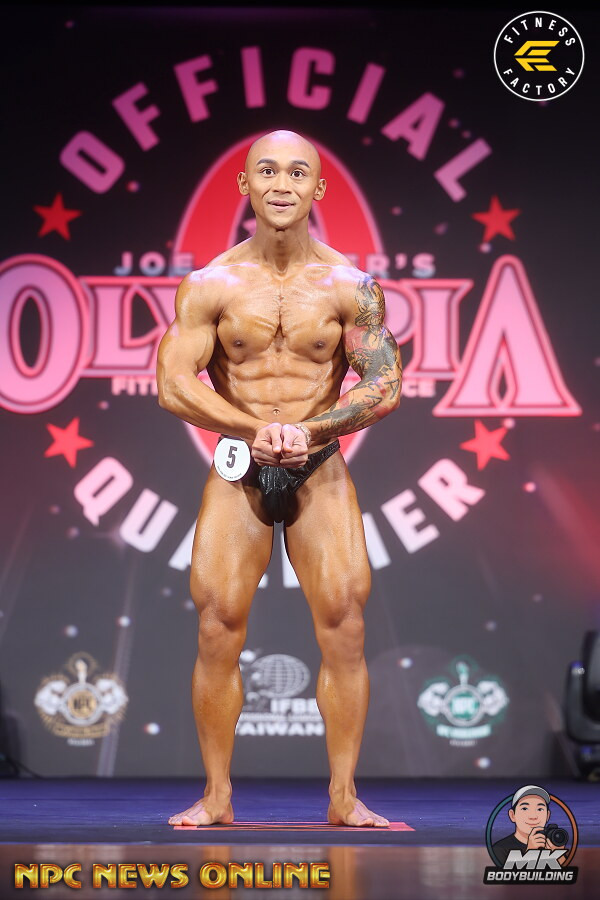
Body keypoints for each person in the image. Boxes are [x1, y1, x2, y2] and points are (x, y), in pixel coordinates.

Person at [156, 129, 402, 827]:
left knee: (344, 623)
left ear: (318, 189)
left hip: (319, 467)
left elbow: (384, 384)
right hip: (240, 465)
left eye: (298, 172)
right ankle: (217, 796)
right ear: (246, 185)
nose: (282, 183)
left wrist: (311, 431)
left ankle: (344, 797)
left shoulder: (352, 287)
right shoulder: (210, 285)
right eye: (267, 170)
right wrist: (251, 427)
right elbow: (173, 384)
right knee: (217, 624)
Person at [492, 785, 567, 865]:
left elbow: (566, 870)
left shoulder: (552, 843)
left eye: (540, 809)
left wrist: (558, 854)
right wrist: (530, 852)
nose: (533, 816)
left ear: (547, 816)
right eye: (525, 808)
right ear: (512, 815)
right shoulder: (500, 848)